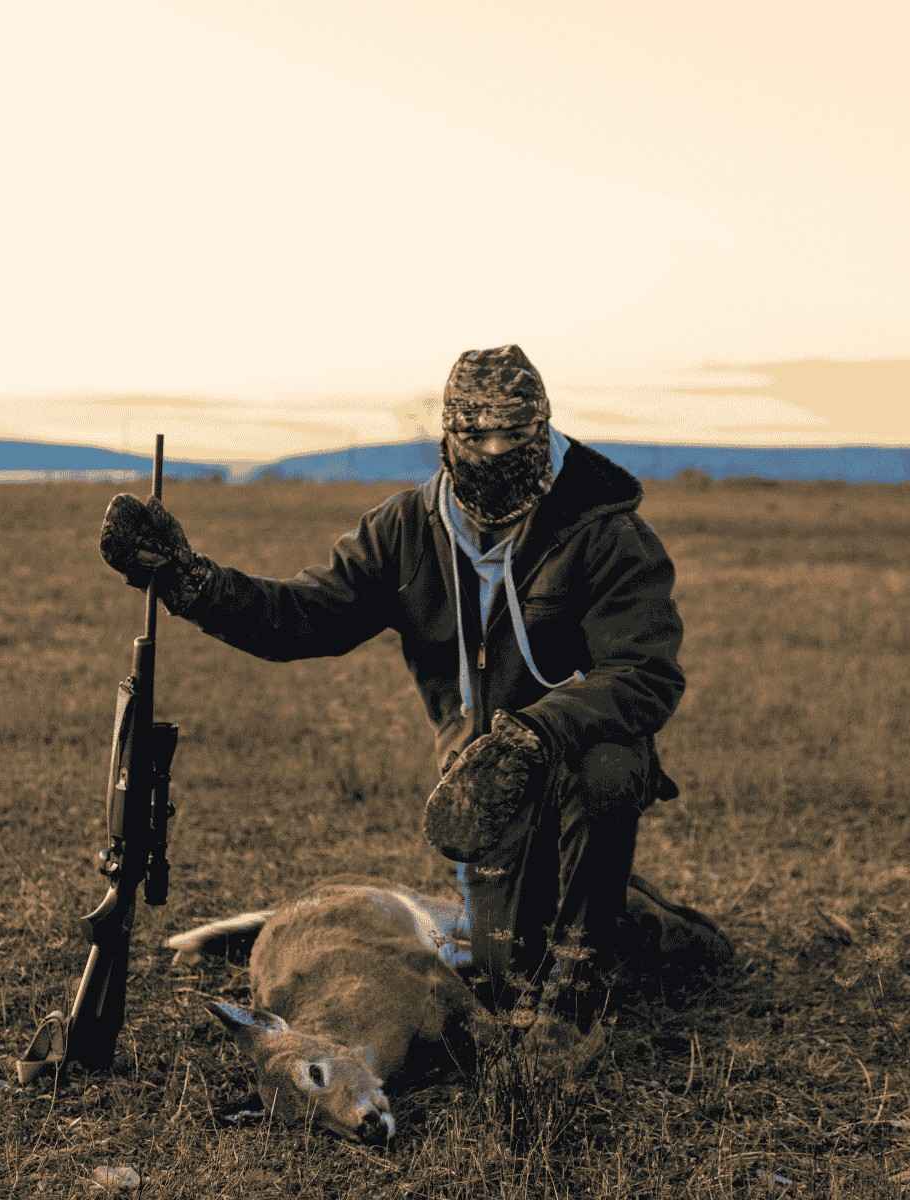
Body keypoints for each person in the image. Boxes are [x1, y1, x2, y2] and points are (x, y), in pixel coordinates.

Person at [100, 344, 731, 1032]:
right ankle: (626, 916)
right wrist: (191, 582)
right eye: (478, 438)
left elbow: (645, 675)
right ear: (448, 439)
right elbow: (299, 618)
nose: (496, 452)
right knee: (504, 970)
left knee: (608, 764)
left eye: (515, 437)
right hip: (479, 796)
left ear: (544, 431)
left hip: (573, 764)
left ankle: (582, 990)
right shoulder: (404, 531)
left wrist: (536, 730)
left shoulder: (606, 533)